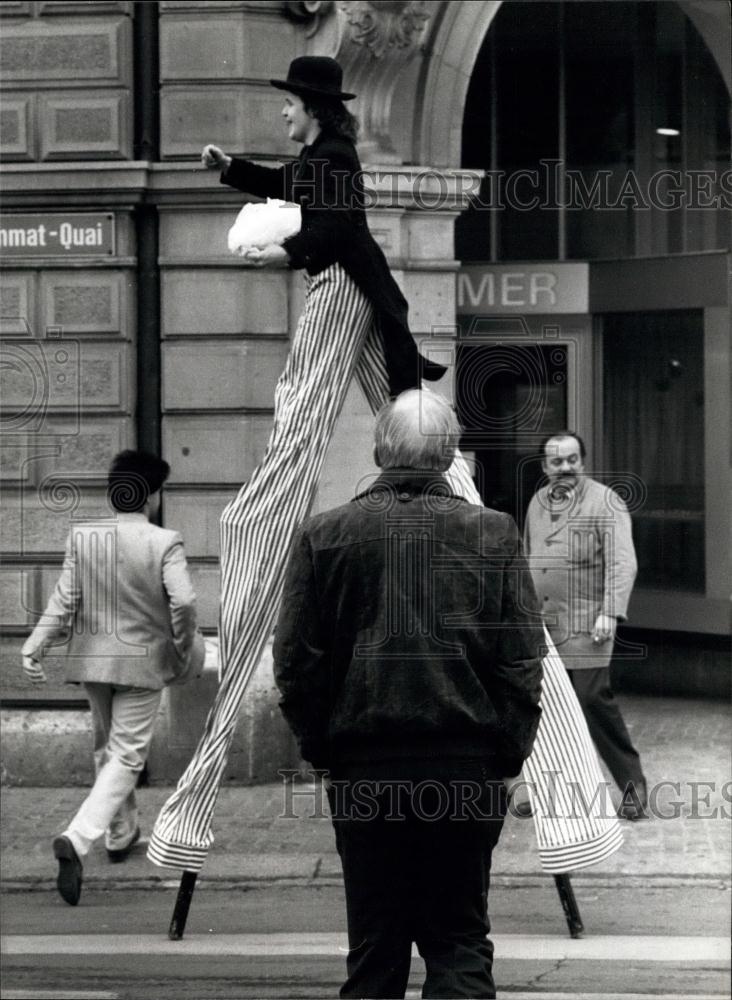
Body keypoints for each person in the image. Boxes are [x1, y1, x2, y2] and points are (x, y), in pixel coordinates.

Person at [273, 391, 543, 1000]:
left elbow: (295, 663)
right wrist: (505, 756)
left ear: (378, 450)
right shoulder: (493, 532)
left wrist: (324, 751)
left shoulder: (325, 535)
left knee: (375, 947)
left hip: (365, 766)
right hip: (464, 762)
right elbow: (522, 659)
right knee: (459, 941)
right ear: (451, 457)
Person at [21, 450, 203, 905]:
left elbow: (64, 601)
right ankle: (79, 838)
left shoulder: (84, 538)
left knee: (107, 747)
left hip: (92, 662)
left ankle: (120, 834)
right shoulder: (165, 541)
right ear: (153, 495)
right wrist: (182, 647)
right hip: (141, 663)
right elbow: (182, 602)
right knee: (126, 755)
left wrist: (35, 645)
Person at [524, 431, 647, 820]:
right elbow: (530, 556)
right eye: (557, 462)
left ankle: (633, 786)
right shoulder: (537, 502)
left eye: (572, 460)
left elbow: (622, 563)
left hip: (588, 624)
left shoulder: (606, 501)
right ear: (545, 467)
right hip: (544, 626)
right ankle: (551, 789)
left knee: (592, 700)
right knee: (545, 709)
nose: (565, 469)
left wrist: (610, 612)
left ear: (583, 461)